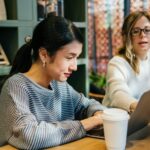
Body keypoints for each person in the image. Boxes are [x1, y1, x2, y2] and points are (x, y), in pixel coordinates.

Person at [0, 14, 105, 149]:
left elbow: (87, 105)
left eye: (76, 57)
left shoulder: (60, 85)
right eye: (69, 57)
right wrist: (88, 123)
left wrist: (98, 113)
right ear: (44, 54)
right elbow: (30, 137)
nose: (75, 66)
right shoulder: (16, 87)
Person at [102, 11, 150, 113]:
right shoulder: (117, 63)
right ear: (127, 36)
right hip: (117, 123)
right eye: (136, 31)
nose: (143, 35)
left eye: (147, 30)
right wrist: (142, 110)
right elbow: (118, 94)